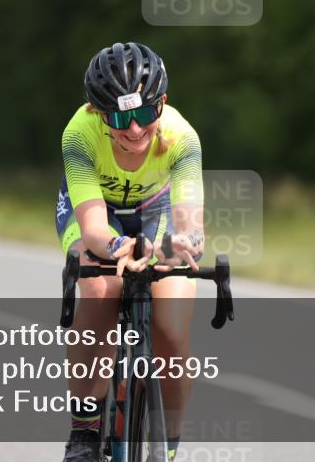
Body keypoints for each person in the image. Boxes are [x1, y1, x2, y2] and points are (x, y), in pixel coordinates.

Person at [57, 42, 205, 461]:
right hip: (99, 215)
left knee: (172, 329)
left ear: (163, 103)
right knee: (101, 289)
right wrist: (120, 245)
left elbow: (192, 224)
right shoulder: (79, 133)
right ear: (100, 114)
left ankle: (168, 444)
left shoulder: (182, 138)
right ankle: (85, 431)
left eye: (144, 114)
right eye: (122, 118)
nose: (135, 129)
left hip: (159, 214)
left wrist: (182, 243)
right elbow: (93, 229)